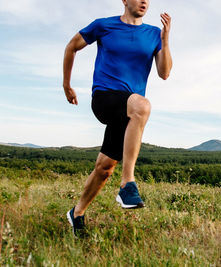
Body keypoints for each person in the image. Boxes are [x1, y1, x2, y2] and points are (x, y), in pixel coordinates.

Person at [62, 0, 172, 236]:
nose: (144, 1)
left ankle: (77, 213)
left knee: (104, 167)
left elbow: (164, 73)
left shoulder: (153, 34)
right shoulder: (104, 26)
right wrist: (67, 85)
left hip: (129, 111)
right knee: (142, 105)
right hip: (104, 97)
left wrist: (165, 39)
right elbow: (71, 47)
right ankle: (127, 183)